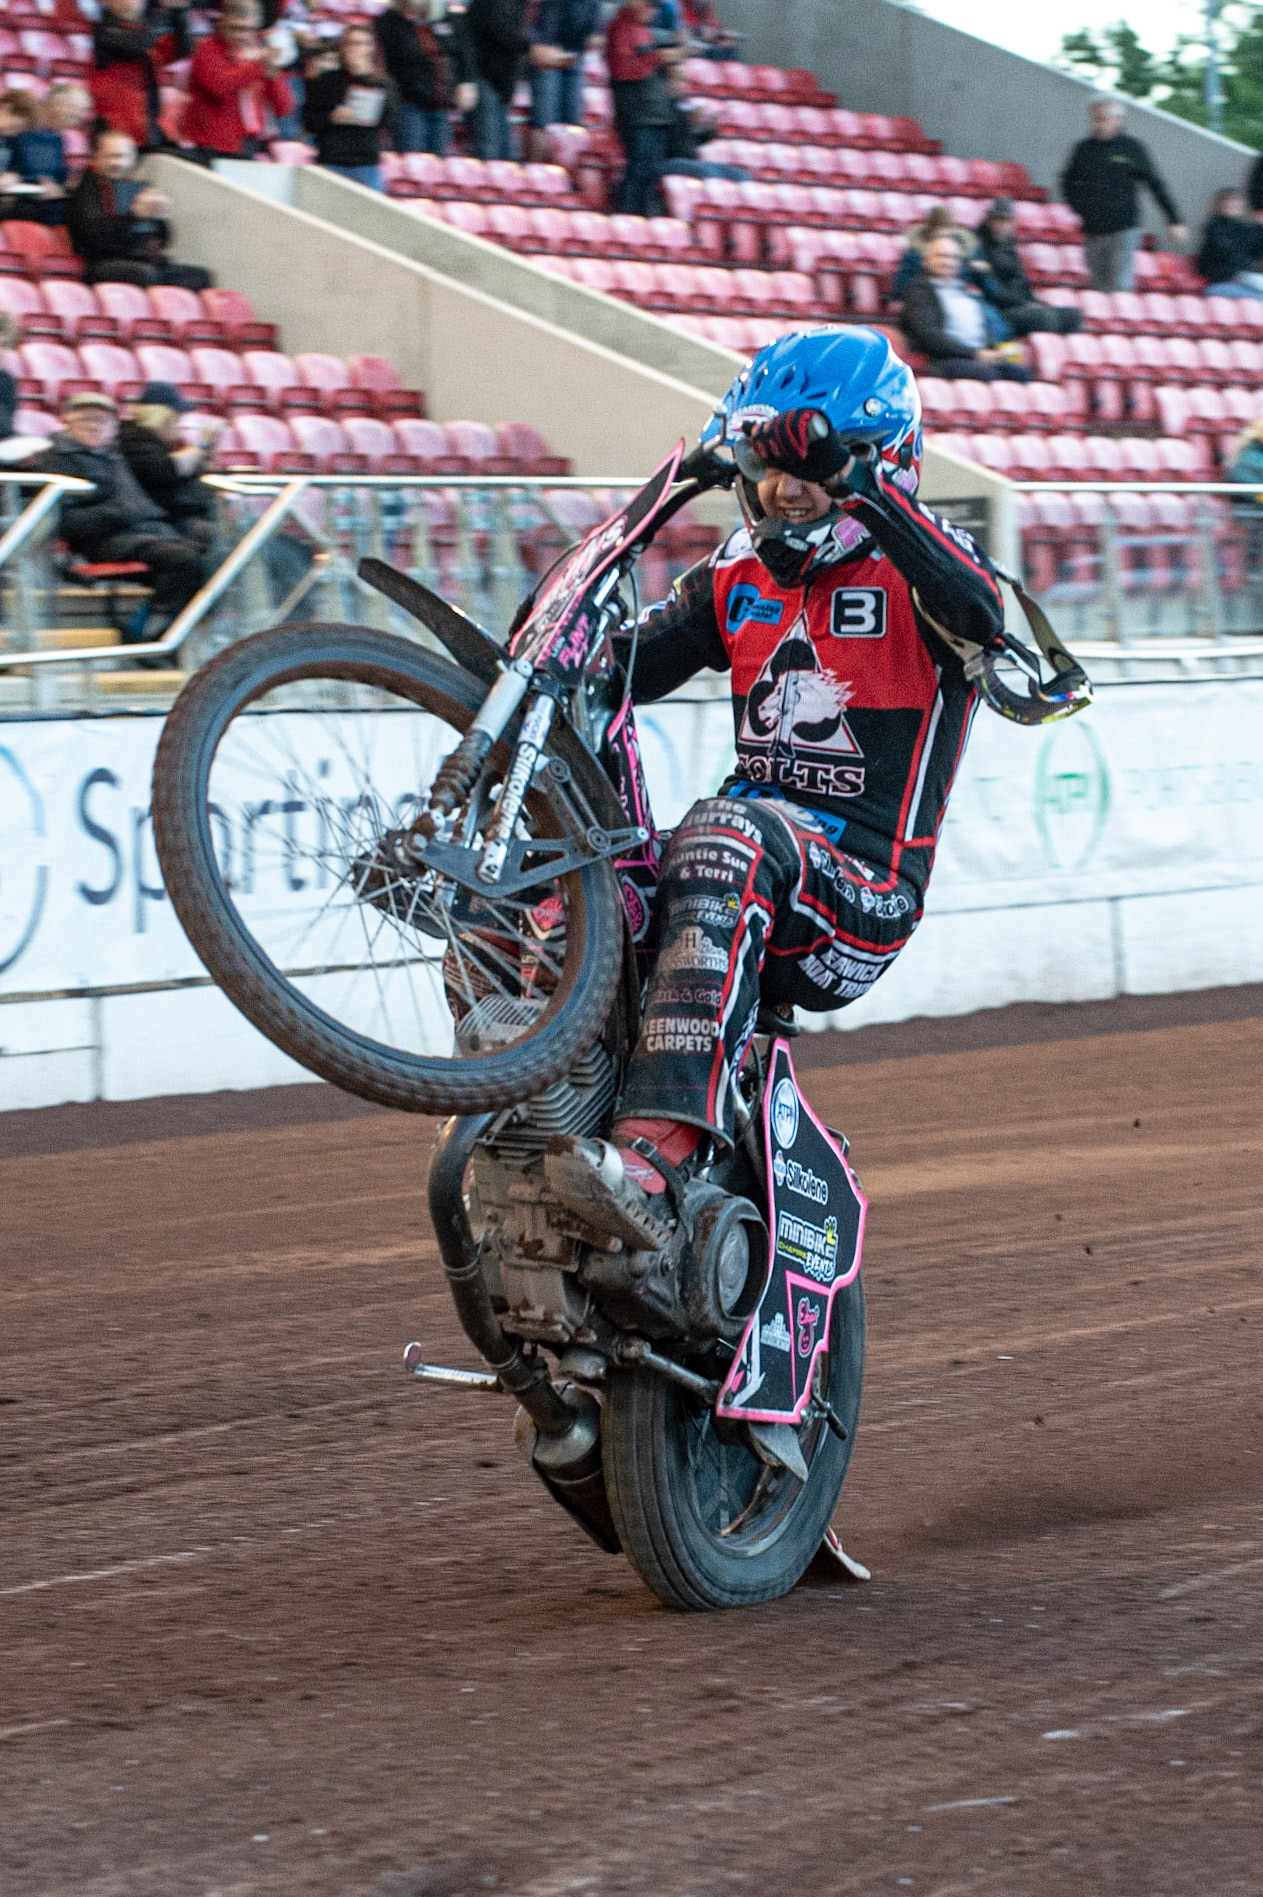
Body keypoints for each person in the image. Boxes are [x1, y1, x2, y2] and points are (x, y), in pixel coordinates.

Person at [542, 326, 1062, 1243]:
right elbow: (609, 670)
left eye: (810, 465)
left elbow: (989, 621)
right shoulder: (735, 574)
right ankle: (528, 1100)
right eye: (769, 464)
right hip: (740, 864)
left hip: (859, 898)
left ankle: (653, 1157)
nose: (785, 488)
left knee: (721, 831)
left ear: (878, 461)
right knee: (565, 828)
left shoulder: (927, 571)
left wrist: (860, 486)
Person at [34, 390, 214, 644]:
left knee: (214, 557)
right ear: (68, 422)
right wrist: (118, 514)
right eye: (86, 419)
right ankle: (143, 632)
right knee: (185, 560)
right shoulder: (55, 460)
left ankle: (165, 634)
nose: (94, 426)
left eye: (102, 420)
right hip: (101, 541)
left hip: (142, 534)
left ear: (113, 427)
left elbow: (142, 507)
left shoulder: (114, 456)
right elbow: (62, 521)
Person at [1061, 96, 1187, 293]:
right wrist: (1080, 208)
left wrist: (1174, 219)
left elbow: (1155, 183)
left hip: (1124, 227)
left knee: (1120, 285)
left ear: (1117, 119)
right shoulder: (1083, 149)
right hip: (1093, 229)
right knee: (1097, 286)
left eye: (1103, 119)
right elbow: (1068, 183)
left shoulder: (1131, 147)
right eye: (1095, 119)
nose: (1098, 124)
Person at [66, 127, 213, 291]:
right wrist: (135, 215)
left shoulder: (136, 189)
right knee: (145, 274)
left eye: (124, 157)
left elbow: (163, 241)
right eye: (112, 156)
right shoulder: (86, 190)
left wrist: (159, 218)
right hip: (103, 262)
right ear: (97, 157)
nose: (118, 163)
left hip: (141, 261)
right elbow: (94, 236)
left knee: (199, 276)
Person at [900, 231, 1032, 381]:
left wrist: (997, 351)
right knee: (987, 374)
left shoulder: (964, 290)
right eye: (942, 256)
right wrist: (975, 354)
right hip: (944, 359)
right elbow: (929, 336)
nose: (948, 262)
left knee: (1020, 373)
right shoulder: (918, 291)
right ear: (926, 260)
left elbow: (986, 328)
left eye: (954, 258)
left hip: (979, 356)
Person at [185, 0, 295, 161]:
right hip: (213, 146)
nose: (241, 35)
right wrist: (258, 67)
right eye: (235, 28)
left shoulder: (260, 55)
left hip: (251, 144)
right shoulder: (206, 49)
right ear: (223, 23)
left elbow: (283, 108)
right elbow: (218, 87)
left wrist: (272, 77)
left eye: (249, 29)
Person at [116, 381, 220, 547]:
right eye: (177, 416)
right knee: (232, 539)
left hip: (187, 517)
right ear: (162, 417)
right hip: (168, 523)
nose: (180, 422)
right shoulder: (132, 439)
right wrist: (203, 445)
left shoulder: (160, 442)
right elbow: (165, 469)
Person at [607, 0, 683, 216]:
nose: (653, 10)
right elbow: (623, 70)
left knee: (649, 175)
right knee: (638, 173)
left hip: (653, 116)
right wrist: (659, 58)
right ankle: (627, 219)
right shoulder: (621, 28)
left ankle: (639, 221)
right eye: (650, 5)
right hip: (637, 116)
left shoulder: (642, 30)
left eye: (655, 7)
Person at [90, 0, 192, 152]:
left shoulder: (149, 31)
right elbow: (139, 44)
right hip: (112, 129)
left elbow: (183, 51)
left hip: (146, 130)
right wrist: (167, 14)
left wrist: (179, 12)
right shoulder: (100, 27)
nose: (128, 2)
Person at [975, 197, 1083, 335]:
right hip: (1000, 310)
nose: (1002, 226)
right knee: (1045, 319)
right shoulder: (978, 246)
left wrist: (1033, 300)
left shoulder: (1009, 244)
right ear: (989, 220)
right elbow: (992, 290)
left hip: (1022, 305)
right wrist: (1024, 303)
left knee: (1073, 316)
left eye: (1006, 221)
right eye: (998, 220)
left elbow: (1021, 280)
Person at [302, 23, 389, 188]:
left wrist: (364, 77)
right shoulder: (326, 80)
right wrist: (331, 117)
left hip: (366, 163)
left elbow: (388, 118)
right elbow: (308, 120)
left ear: (371, 48)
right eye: (350, 43)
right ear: (342, 47)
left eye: (360, 43)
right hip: (332, 161)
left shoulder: (382, 83)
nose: (354, 48)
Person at [374, 0, 453, 155]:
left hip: (440, 102)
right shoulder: (389, 23)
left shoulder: (438, 22)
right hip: (409, 103)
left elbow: (453, 53)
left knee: (439, 163)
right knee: (412, 157)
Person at [9, 83, 93, 225]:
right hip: (19, 202)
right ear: (56, 105)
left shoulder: (56, 137)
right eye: (72, 116)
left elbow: (58, 176)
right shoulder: (21, 125)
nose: (74, 124)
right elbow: (20, 169)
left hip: (46, 203)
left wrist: (63, 186)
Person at [458, 0, 530, 162]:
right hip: (482, 74)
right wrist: (529, 47)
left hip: (501, 80)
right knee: (488, 149)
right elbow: (497, 27)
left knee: (503, 152)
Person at [527, 0, 598, 151]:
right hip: (548, 54)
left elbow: (593, 20)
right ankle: (539, 171)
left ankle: (566, 171)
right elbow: (531, 14)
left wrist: (594, 32)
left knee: (572, 126)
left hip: (574, 55)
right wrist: (538, 45)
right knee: (544, 124)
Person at [659, 65, 747, 182]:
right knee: (708, 172)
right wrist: (687, 120)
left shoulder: (681, 106)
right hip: (668, 160)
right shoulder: (660, 107)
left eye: (683, 80)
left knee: (740, 175)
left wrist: (708, 129)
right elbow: (668, 143)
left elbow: (690, 142)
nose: (681, 85)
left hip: (689, 161)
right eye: (677, 79)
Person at [891, 203, 979, 301]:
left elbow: (970, 281)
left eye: (946, 229)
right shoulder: (914, 255)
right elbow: (902, 285)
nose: (943, 234)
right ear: (931, 231)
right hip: (924, 299)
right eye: (939, 230)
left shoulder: (964, 253)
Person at [1196, 187, 1263, 297]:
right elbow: (1226, 252)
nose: (1233, 205)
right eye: (1229, 202)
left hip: (1242, 280)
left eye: (1237, 202)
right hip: (1221, 282)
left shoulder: (1244, 228)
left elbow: (1257, 251)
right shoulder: (1214, 227)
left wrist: (1260, 228)